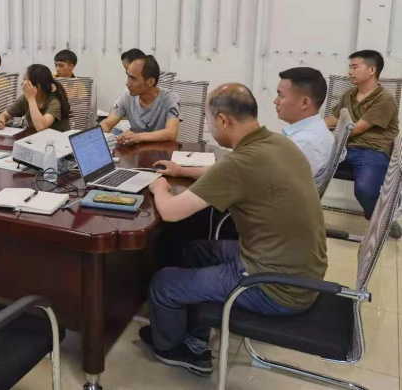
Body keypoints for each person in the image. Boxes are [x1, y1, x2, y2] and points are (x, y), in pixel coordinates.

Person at [141, 84, 327, 376]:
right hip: (300, 270)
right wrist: (181, 171)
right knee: (193, 251)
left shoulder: (242, 163)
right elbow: (227, 172)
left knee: (164, 284)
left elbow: (170, 212)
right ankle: (193, 332)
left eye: (209, 120)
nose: (209, 127)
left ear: (223, 120)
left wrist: (158, 186)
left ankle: (176, 349)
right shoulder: (278, 144)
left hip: (274, 286)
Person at [325, 50, 401, 237]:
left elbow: (356, 129)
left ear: (372, 70)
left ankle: (381, 219)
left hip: (372, 151)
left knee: (365, 190)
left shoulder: (385, 100)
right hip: (344, 148)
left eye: (355, 67)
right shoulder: (349, 94)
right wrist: (310, 126)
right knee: (306, 167)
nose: (350, 72)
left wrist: (327, 135)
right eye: (350, 67)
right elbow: (334, 119)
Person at [275, 67, 335, 187]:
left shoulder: (304, 143)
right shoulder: (316, 130)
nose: (275, 101)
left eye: (281, 96)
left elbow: (278, 186)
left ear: (304, 103)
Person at [100, 55, 180, 145]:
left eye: (133, 79)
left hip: (161, 151)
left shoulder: (170, 98)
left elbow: (171, 133)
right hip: (135, 151)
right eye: (128, 77)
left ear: (150, 82)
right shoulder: (126, 98)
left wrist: (138, 136)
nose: (127, 83)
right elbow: (107, 125)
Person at [0, 64, 71, 132]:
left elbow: (41, 127)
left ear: (37, 87)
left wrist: (31, 98)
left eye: (25, 80)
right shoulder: (25, 98)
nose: (22, 84)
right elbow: (5, 115)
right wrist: (0, 118)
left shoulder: (54, 101)